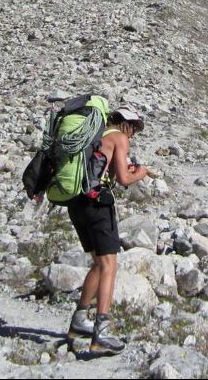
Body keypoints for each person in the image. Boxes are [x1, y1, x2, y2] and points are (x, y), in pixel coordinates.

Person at [65, 106, 150, 355]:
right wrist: (141, 174)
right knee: (109, 266)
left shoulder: (97, 134)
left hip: (77, 204)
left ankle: (80, 320)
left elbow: (109, 173)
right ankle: (101, 333)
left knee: (98, 264)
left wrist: (125, 173)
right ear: (126, 123)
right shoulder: (120, 138)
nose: (134, 133)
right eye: (134, 127)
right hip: (98, 205)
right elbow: (123, 180)